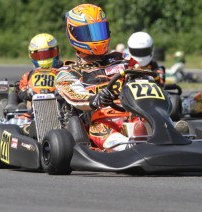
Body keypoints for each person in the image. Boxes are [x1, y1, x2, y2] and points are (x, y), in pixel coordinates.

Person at [55, 4, 141, 151]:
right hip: (101, 119)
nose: (97, 38)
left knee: (150, 119)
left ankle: (163, 139)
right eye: (89, 33)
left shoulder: (124, 59)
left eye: (100, 31)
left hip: (134, 114)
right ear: (74, 34)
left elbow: (143, 77)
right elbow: (74, 95)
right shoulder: (69, 72)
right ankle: (126, 147)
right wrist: (94, 99)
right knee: (99, 128)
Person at [127, 31, 189, 134]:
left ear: (151, 50)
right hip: (132, 99)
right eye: (137, 52)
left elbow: (160, 82)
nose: (141, 56)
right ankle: (139, 129)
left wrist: (143, 73)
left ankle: (175, 131)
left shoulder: (156, 68)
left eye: (144, 52)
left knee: (163, 112)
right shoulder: (125, 67)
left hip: (153, 100)